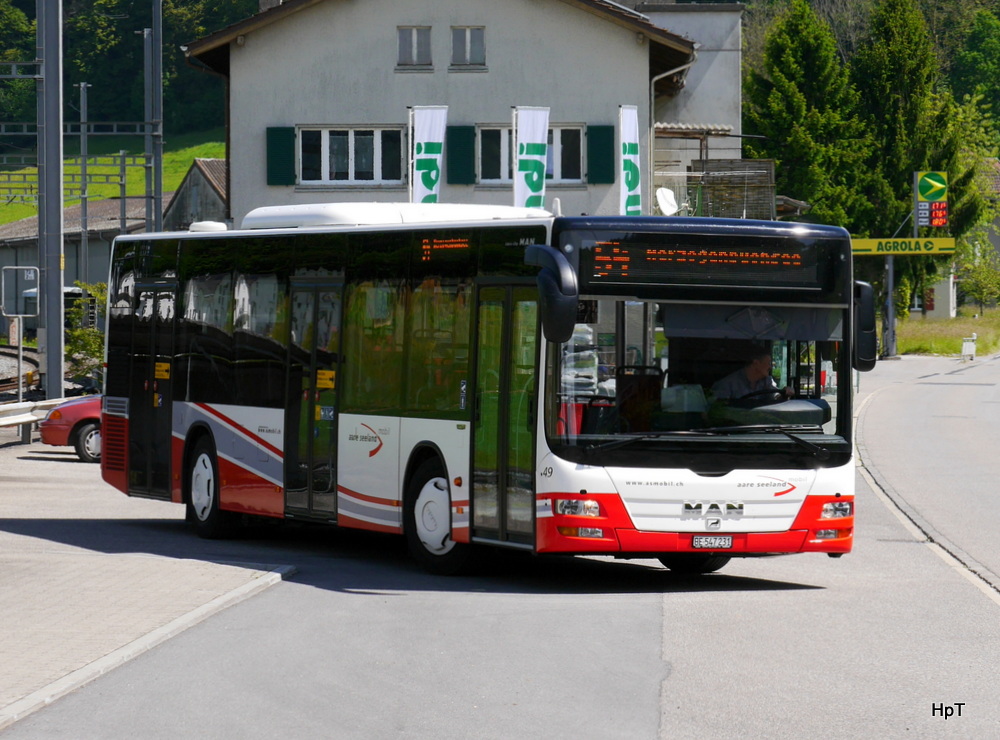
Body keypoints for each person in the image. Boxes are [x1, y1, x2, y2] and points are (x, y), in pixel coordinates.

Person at [711, 350, 792, 401]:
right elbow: (718, 412)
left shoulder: (767, 381)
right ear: (756, 363)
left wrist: (784, 393)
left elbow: (775, 397)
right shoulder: (726, 385)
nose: (770, 367)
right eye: (768, 363)